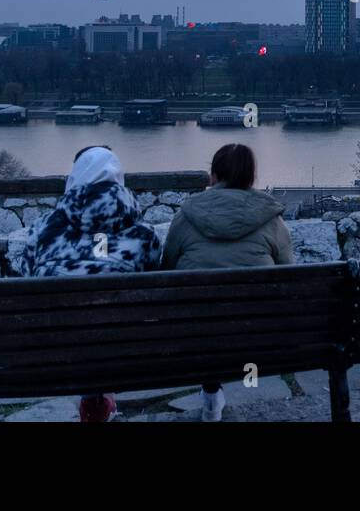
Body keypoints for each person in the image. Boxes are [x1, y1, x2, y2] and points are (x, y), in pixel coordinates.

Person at [22, 145, 161, 422]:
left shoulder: (41, 229)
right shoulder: (144, 236)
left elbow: (25, 282)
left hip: (51, 351)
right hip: (127, 353)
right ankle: (102, 399)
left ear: (73, 180)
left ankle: (93, 400)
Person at [160, 143, 293, 421]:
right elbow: (288, 277)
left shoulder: (185, 216)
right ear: (251, 176)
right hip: (257, 336)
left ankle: (210, 393)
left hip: (194, 335)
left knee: (205, 318)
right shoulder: (271, 220)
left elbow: (166, 273)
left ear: (214, 176)